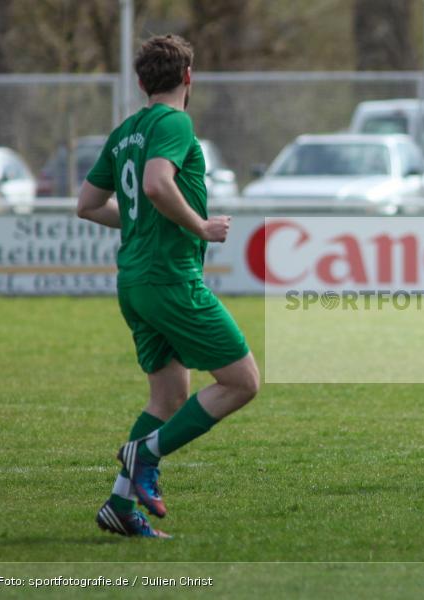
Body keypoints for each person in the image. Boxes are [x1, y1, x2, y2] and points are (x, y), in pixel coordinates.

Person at [77, 34, 260, 538]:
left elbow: (87, 204)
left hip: (134, 281)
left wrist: (139, 225)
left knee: (169, 398)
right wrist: (200, 227)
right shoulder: (174, 122)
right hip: (170, 278)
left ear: (139, 82)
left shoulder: (125, 132)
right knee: (242, 382)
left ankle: (119, 505)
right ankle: (146, 453)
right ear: (188, 77)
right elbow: (157, 183)